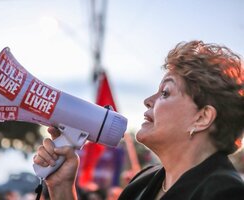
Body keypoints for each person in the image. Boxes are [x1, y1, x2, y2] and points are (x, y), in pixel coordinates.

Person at [33, 40, 244, 200]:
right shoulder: (144, 180)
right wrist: (61, 188)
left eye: (165, 93)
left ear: (202, 117)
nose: (148, 101)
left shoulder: (226, 193)